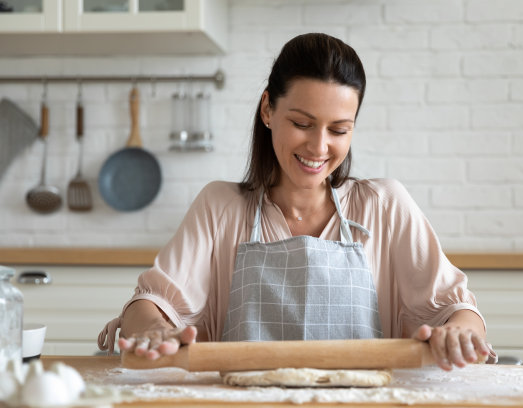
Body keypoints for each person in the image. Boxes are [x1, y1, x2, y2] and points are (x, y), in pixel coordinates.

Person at [98, 33, 496, 371]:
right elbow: (149, 305)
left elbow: (457, 310)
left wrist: (459, 333)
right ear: (268, 109)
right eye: (302, 124)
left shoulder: (384, 205)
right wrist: (151, 330)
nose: (319, 147)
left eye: (339, 129)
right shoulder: (220, 207)